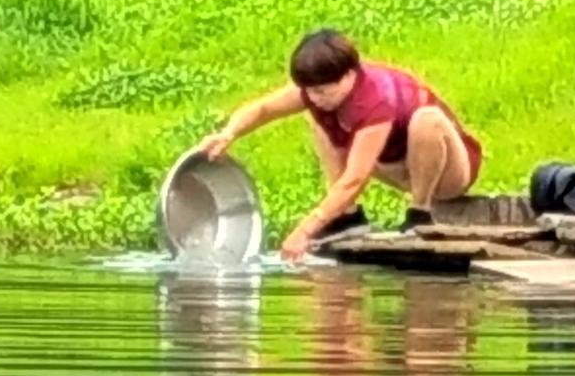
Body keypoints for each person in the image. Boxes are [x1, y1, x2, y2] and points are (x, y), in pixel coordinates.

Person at [197, 29, 483, 262]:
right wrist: (228, 133)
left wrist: (305, 230)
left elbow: (356, 178)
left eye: (322, 91)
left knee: (426, 120)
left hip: (447, 172)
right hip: (397, 165)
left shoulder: (375, 101)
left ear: (349, 75)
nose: (315, 97)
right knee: (319, 120)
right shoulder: (315, 93)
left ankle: (420, 212)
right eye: (309, 90)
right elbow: (263, 109)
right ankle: (347, 217)